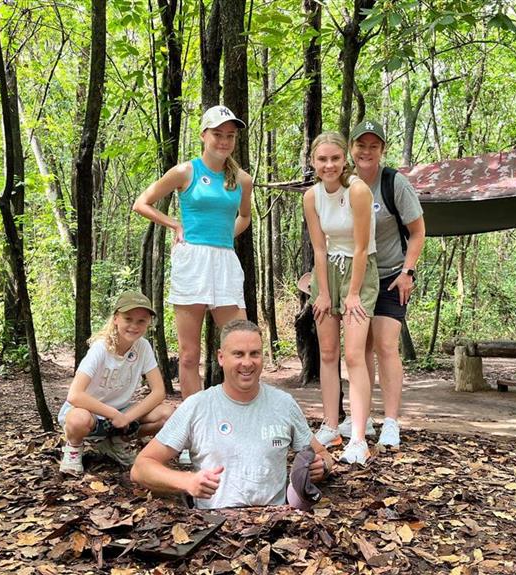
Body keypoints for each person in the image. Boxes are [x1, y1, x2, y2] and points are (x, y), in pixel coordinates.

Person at [130, 319, 333, 509]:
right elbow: (141, 467)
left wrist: (322, 466)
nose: (247, 363)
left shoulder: (283, 404)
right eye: (238, 354)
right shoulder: (198, 406)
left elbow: (323, 454)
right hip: (214, 525)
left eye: (254, 353)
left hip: (274, 522)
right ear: (221, 357)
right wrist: (186, 481)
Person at [132, 105, 253, 403]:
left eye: (230, 136)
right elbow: (142, 203)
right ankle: (193, 426)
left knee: (242, 346)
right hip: (192, 260)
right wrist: (174, 224)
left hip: (224, 260)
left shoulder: (242, 179)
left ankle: (237, 414)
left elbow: (245, 217)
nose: (224, 141)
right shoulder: (186, 171)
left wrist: (224, 236)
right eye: (217, 134)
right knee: (189, 354)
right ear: (204, 135)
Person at [341, 119, 425, 447]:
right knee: (359, 350)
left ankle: (391, 421)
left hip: (391, 275)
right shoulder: (342, 182)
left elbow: (417, 232)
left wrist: (408, 272)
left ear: (382, 151)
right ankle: (362, 419)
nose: (366, 151)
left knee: (386, 346)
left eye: (373, 146)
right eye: (361, 145)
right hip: (357, 278)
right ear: (352, 149)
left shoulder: (394, 184)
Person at [303, 132, 379, 465]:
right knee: (328, 351)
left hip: (359, 273)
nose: (329, 165)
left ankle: (359, 437)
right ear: (313, 162)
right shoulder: (311, 197)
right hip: (328, 271)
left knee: (354, 355)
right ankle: (331, 424)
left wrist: (351, 294)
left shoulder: (358, 191)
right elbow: (320, 248)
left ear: (344, 160)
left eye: (334, 158)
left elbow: (362, 247)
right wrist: (321, 292)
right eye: (322, 159)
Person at [58, 291, 174, 474]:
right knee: (78, 420)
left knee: (167, 414)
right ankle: (73, 448)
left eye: (141, 321)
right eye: (128, 319)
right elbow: (75, 395)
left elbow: (158, 391)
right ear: (116, 319)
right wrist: (113, 414)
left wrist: (126, 417)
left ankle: (117, 443)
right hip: (90, 412)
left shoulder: (143, 347)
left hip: (122, 412)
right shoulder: (101, 348)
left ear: (148, 323)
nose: (134, 326)